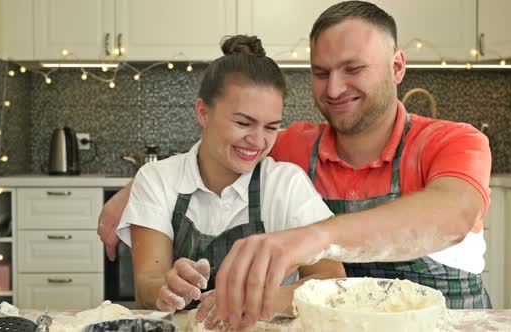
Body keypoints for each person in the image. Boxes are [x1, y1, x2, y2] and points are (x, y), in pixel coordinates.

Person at [99, 1, 492, 328]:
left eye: (353, 69)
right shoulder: (294, 146)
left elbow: (452, 213)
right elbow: (218, 150)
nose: (334, 89)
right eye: (321, 73)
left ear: (396, 67)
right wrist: (135, 191)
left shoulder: (454, 141)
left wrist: (316, 237)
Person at [111, 34, 345, 329]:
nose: (258, 140)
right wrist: (167, 288)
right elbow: (147, 284)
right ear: (203, 113)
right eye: (243, 123)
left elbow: (332, 280)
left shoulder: (286, 184)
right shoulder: (157, 179)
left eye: (271, 127)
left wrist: (260, 302)